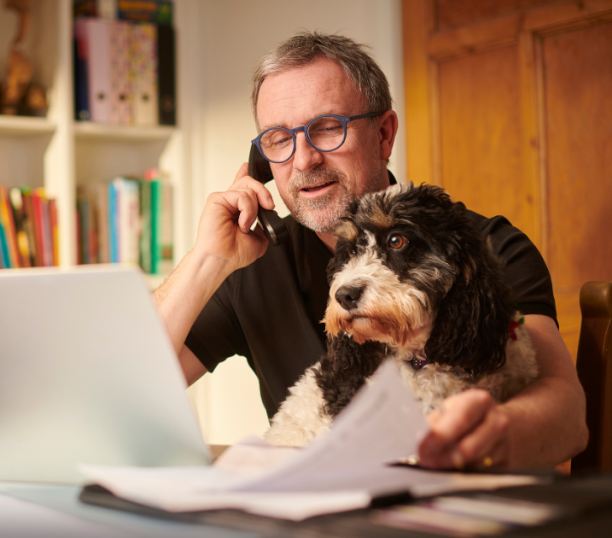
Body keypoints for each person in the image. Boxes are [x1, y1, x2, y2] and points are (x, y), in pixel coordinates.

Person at [153, 32, 587, 470]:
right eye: (279, 139)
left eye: (327, 128)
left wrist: (484, 437)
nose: (303, 161)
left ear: (383, 135)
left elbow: (568, 416)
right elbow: (116, 386)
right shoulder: (251, 261)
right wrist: (207, 259)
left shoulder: (484, 248)